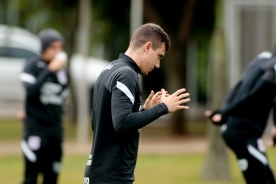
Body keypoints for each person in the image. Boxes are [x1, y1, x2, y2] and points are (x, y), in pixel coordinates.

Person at [83, 23, 190, 184]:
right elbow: (121, 122)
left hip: (102, 172)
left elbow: (106, 121)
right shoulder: (127, 74)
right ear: (147, 47)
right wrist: (163, 107)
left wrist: (144, 110)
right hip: (112, 175)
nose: (157, 65)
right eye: (159, 56)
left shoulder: (110, 69)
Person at [204, 49, 276, 183]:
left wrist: (224, 112)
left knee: (266, 178)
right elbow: (256, 92)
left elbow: (239, 86)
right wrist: (225, 113)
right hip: (242, 131)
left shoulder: (262, 58)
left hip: (244, 131)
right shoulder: (273, 66)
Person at [19, 28, 68, 184]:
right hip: (36, 129)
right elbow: (30, 91)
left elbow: (62, 100)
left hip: (54, 130)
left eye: (60, 47)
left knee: (52, 177)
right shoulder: (31, 66)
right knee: (31, 176)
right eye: (54, 47)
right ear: (44, 48)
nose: (58, 51)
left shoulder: (63, 73)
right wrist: (48, 71)